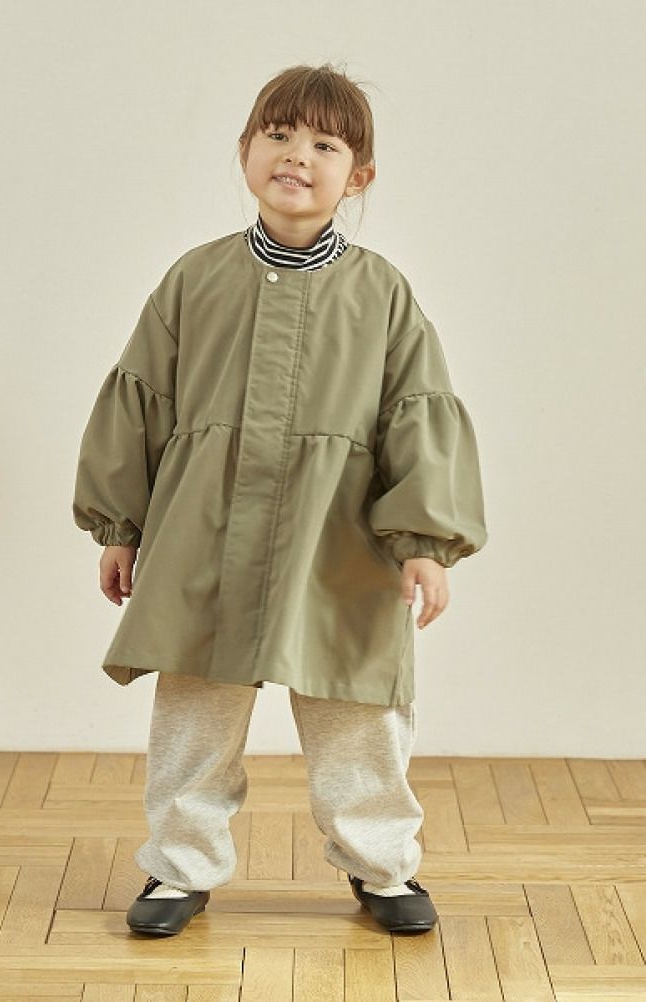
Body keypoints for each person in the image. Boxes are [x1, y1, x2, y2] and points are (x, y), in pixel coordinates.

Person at [71, 63, 488, 937]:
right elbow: (143, 399)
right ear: (245, 151)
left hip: (338, 542)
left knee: (358, 715)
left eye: (324, 144)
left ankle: (382, 866)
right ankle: (179, 867)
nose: (297, 156)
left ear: (358, 176)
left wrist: (424, 542)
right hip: (205, 535)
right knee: (196, 713)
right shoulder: (195, 279)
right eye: (279, 134)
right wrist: (121, 526)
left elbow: (416, 413)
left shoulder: (381, 294)